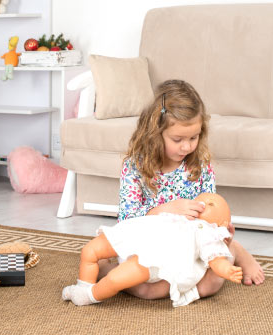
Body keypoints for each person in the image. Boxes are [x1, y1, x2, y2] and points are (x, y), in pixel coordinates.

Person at [113, 80, 264, 301]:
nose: (187, 147)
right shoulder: (135, 167)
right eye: (178, 139)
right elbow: (126, 219)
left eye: (194, 138)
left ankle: (236, 250)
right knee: (145, 291)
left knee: (213, 281)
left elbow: (211, 207)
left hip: (190, 246)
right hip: (151, 243)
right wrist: (166, 210)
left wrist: (220, 230)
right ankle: (173, 286)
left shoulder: (199, 164)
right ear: (155, 134)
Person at [63, 193, 242, 307]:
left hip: (151, 259)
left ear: (222, 225)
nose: (203, 202)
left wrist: (227, 270)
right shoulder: (179, 213)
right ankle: (82, 285)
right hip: (135, 237)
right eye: (202, 199)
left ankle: (89, 295)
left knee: (115, 279)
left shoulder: (206, 231)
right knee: (89, 250)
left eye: (211, 205)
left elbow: (216, 259)